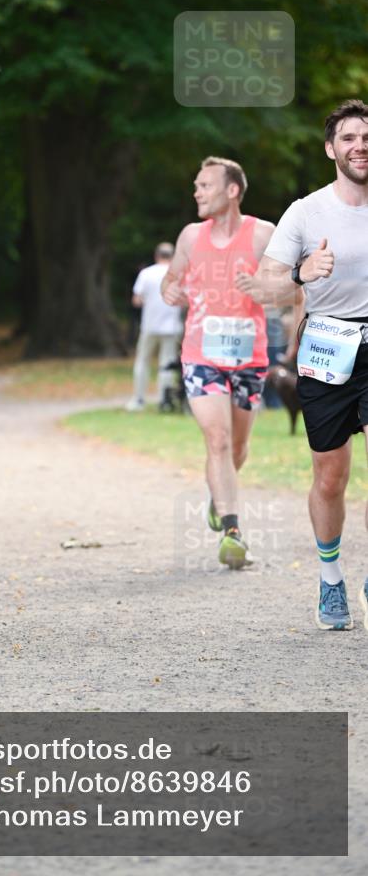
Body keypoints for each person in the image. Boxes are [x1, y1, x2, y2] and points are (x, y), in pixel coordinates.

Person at [239, 99, 368, 630]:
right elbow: (264, 286)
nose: (360, 146)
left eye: (367, 137)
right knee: (331, 475)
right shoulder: (306, 211)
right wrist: (301, 271)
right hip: (328, 344)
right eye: (349, 138)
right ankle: (331, 577)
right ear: (331, 149)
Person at [162, 157, 275, 569]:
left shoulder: (264, 234)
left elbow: (291, 289)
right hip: (201, 355)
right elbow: (170, 280)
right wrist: (171, 290)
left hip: (249, 357)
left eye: (205, 185)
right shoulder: (191, 236)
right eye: (196, 185)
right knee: (219, 441)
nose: (197, 192)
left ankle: (218, 493)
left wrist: (266, 288)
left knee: (238, 447)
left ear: (232, 190)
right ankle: (232, 530)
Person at [125, 243, 182, 412]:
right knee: (166, 363)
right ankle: (164, 400)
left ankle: (139, 399)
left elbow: (137, 300)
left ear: (157, 255)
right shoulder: (177, 274)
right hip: (171, 327)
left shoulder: (146, 273)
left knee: (142, 361)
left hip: (150, 325)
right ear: (173, 257)